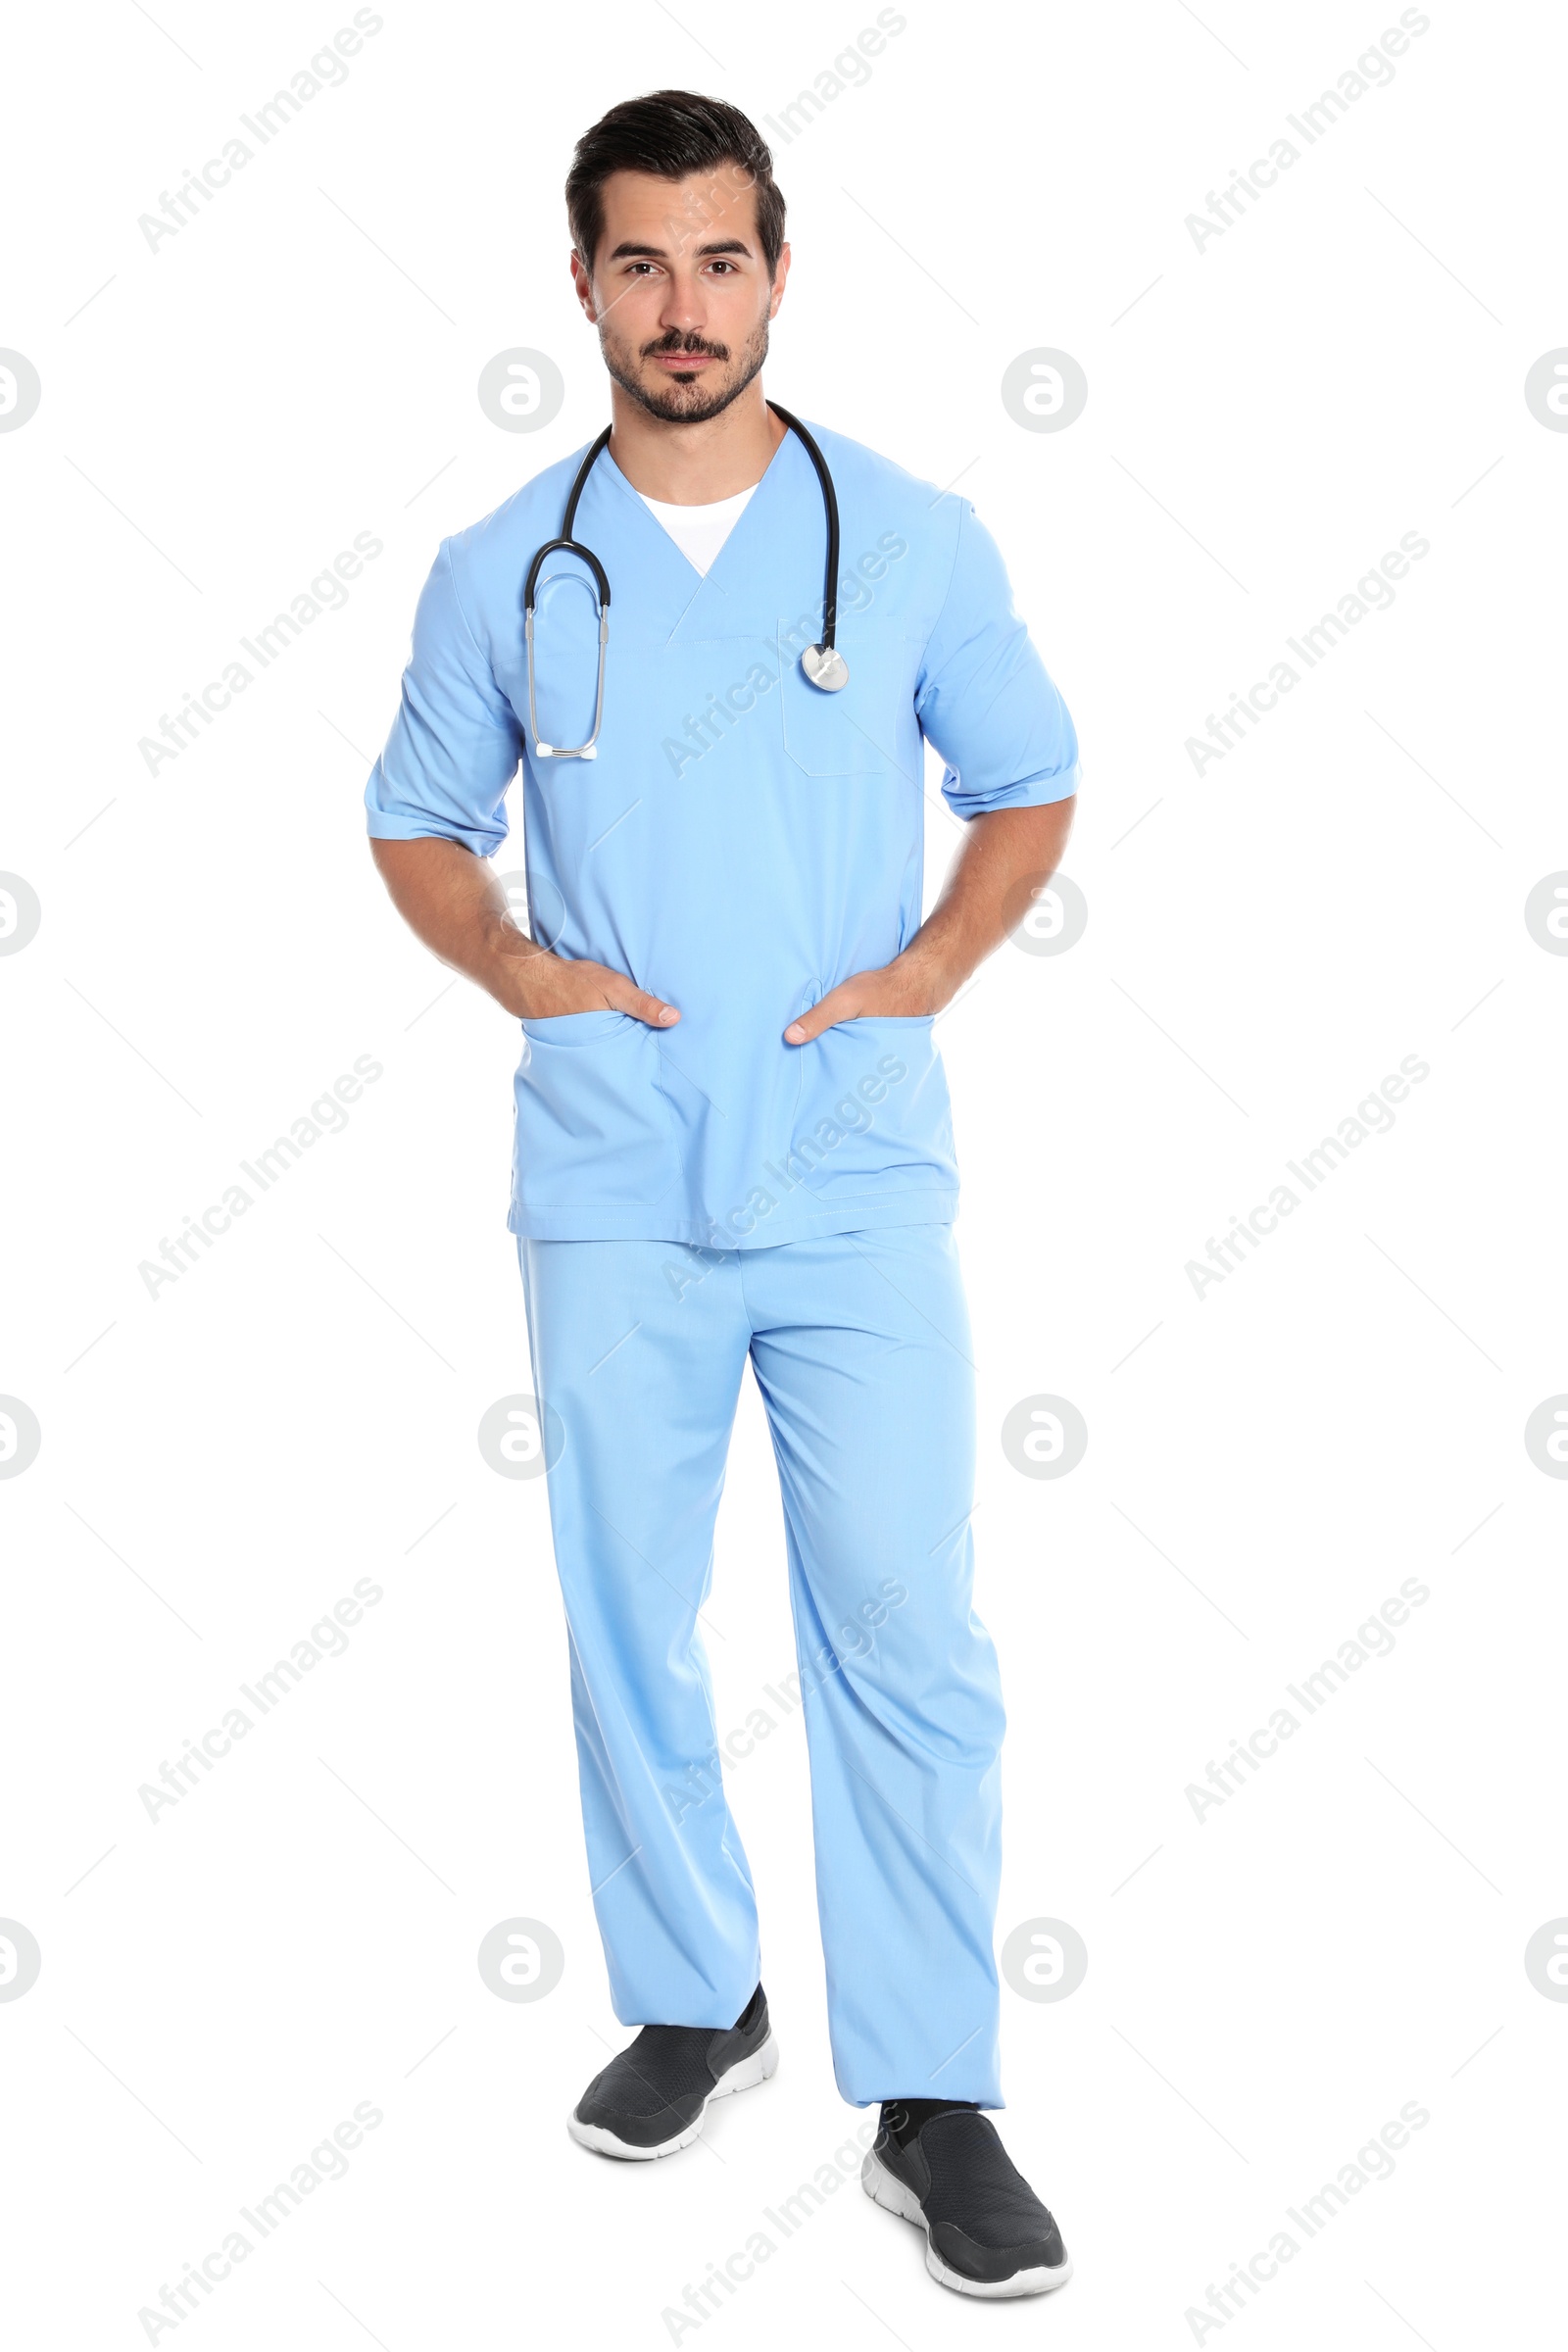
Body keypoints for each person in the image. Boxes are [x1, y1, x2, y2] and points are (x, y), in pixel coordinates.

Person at [366, 89, 1079, 2300]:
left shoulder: (919, 537)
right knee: (626, 1618)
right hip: (612, 1172)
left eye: (722, 260)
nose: (684, 307)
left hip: (850, 1168)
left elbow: (1028, 778)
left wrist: (936, 964)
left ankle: (934, 2089)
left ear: (781, 273)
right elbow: (413, 816)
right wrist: (512, 965)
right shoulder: (500, 563)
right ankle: (696, 1997)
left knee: (901, 1627)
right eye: (640, 263)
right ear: (578, 282)